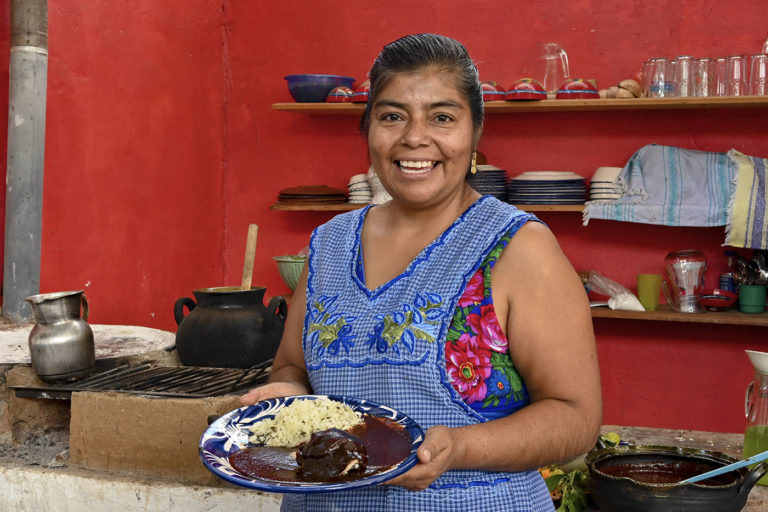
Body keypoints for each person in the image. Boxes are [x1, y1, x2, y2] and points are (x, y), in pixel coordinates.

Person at [241, 33, 602, 511]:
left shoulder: (519, 248)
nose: (415, 137)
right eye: (392, 116)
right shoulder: (330, 243)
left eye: (442, 117)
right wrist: (287, 395)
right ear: (368, 128)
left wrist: (462, 447)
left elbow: (576, 418)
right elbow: (293, 366)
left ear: (475, 132)